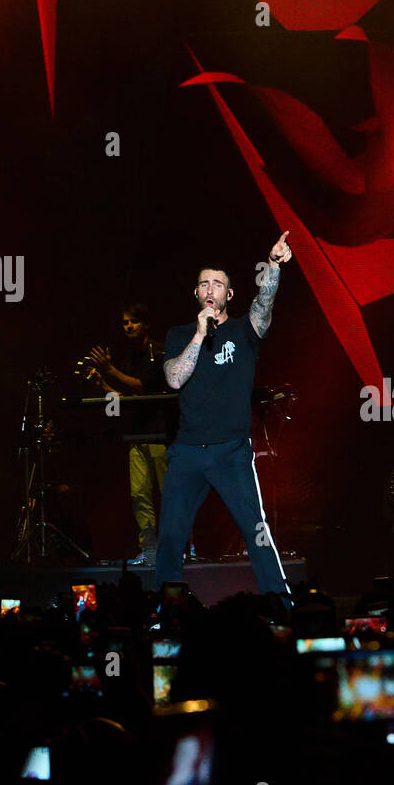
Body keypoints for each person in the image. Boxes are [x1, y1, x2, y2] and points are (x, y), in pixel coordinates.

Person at [155, 232, 293, 602]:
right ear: (196, 294)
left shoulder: (244, 330)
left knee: (255, 529)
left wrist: (275, 266)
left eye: (218, 284)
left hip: (231, 450)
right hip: (187, 451)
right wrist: (200, 334)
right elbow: (173, 378)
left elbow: (264, 309)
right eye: (204, 284)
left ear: (230, 294)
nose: (210, 289)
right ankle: (165, 613)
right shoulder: (180, 334)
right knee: (169, 535)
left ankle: (282, 606)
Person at [86, 304, 169, 565]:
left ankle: (178, 546)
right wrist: (104, 385)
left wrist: (110, 371)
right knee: (139, 495)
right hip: (136, 436)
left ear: (146, 324)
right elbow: (127, 398)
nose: (128, 327)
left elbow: (144, 387)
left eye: (133, 321)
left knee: (169, 494)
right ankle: (151, 550)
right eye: (124, 322)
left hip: (160, 434)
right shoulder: (128, 356)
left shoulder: (159, 351)